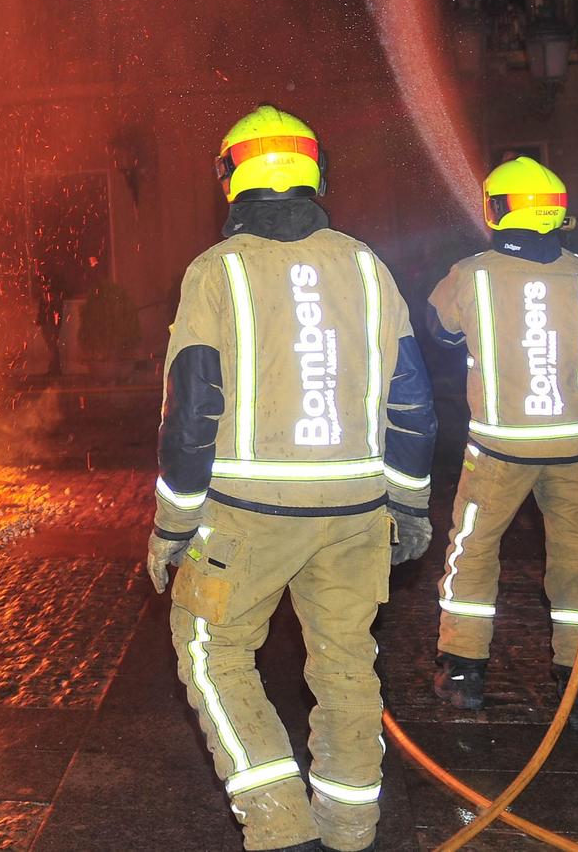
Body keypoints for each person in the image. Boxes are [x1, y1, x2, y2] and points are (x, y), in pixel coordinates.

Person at [150, 106, 436, 852]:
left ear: (231, 178)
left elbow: (191, 414)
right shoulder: (368, 265)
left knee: (210, 648)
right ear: (317, 171)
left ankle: (281, 827)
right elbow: (412, 400)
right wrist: (408, 504)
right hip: (354, 512)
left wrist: (173, 527)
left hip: (248, 516)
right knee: (346, 662)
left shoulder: (217, 271)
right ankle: (349, 830)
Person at [427, 156, 578, 730]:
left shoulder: (470, 273)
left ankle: (463, 672)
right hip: (577, 446)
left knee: (474, 549)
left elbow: (440, 330)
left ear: (500, 210)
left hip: (499, 448)